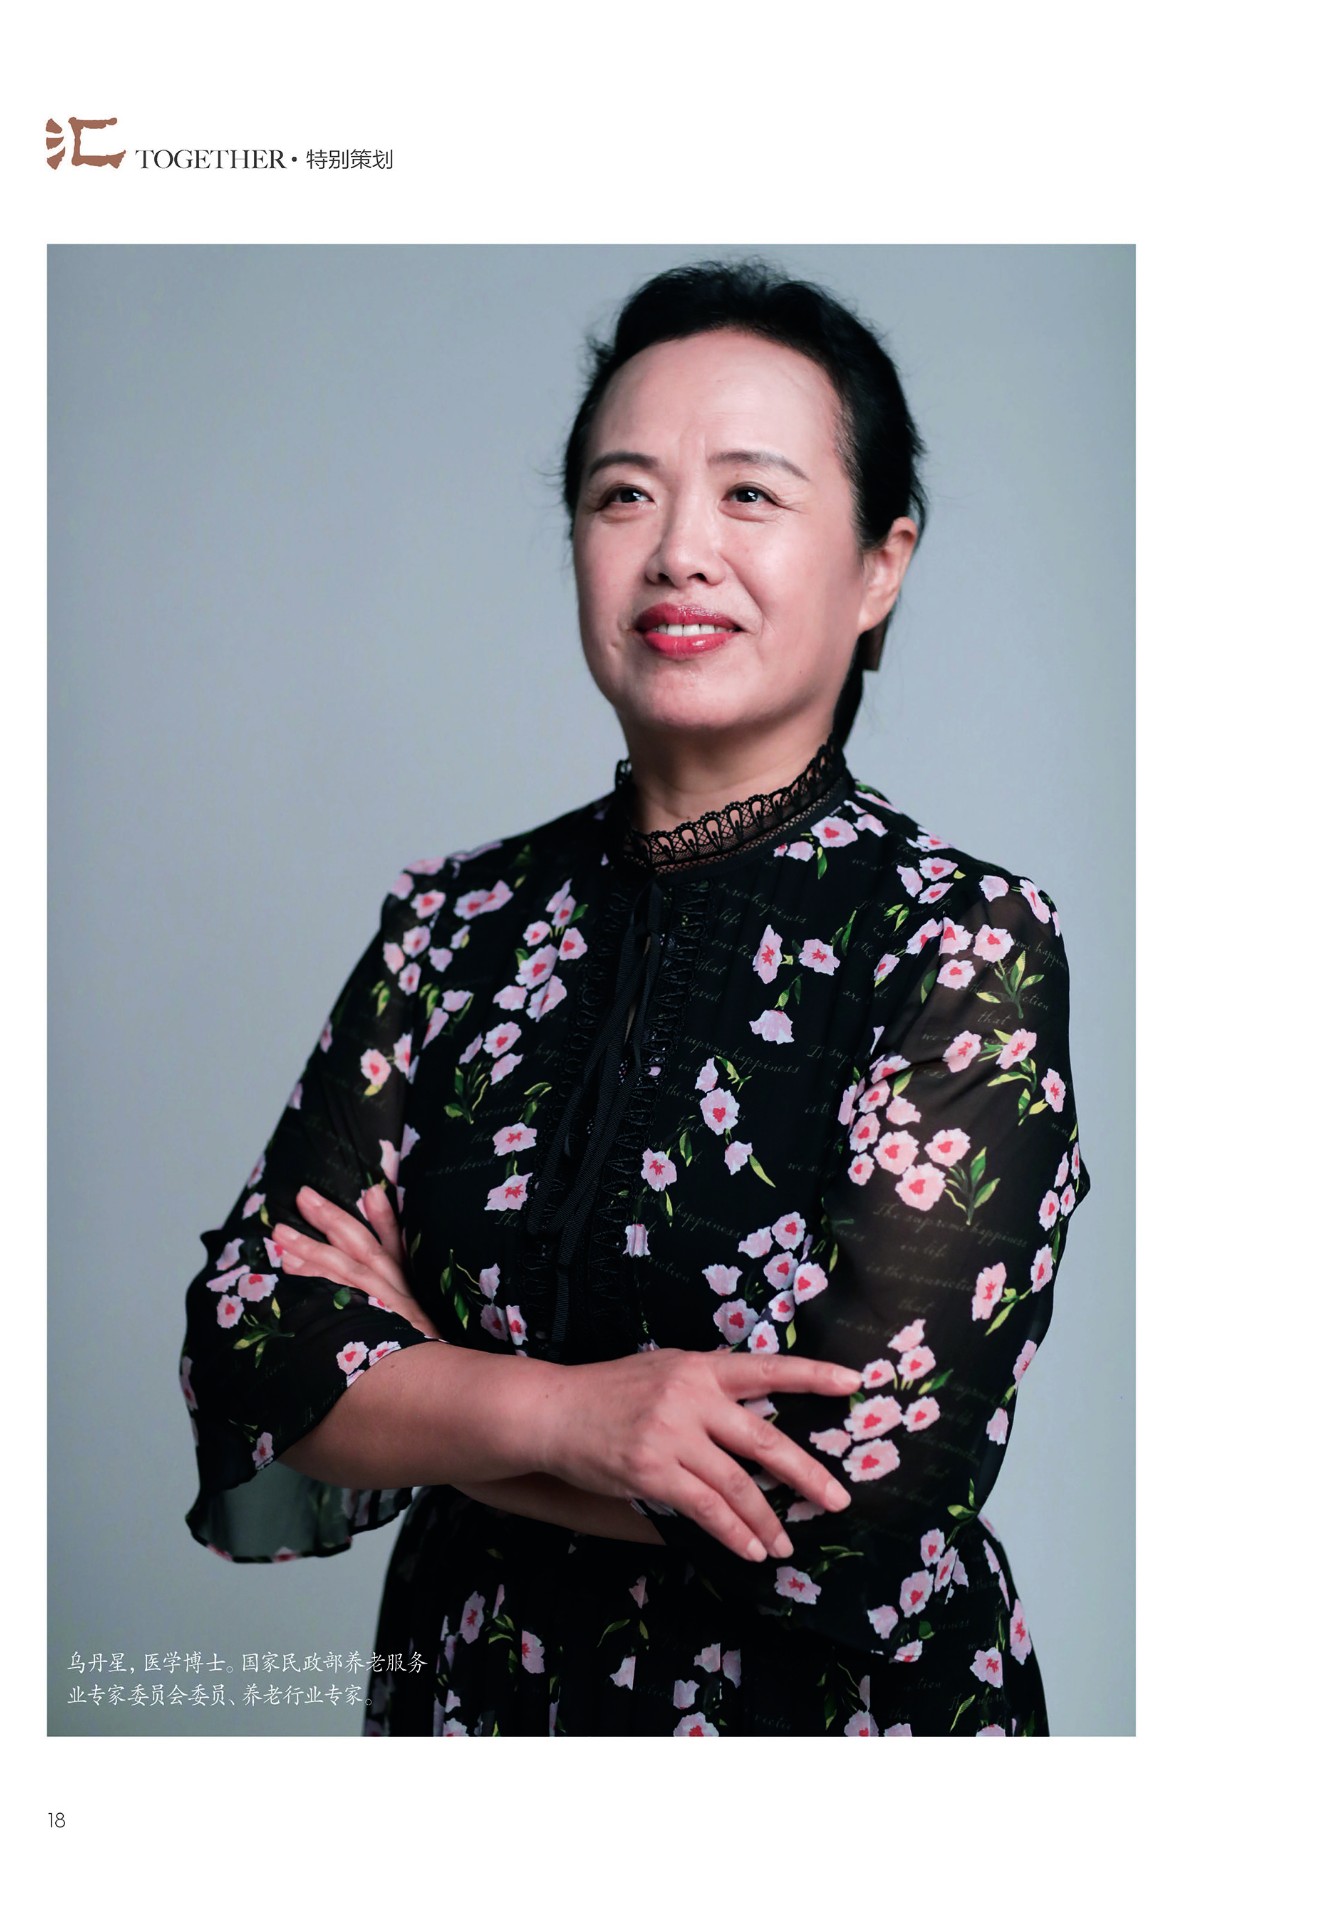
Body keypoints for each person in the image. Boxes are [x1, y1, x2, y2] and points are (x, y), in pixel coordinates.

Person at [178, 259, 1090, 1737]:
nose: (678, 551)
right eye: (623, 496)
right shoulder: (454, 924)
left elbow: (860, 1494)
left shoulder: (958, 944)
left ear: (880, 566)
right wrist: (571, 1418)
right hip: (473, 1711)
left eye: (751, 494)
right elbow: (247, 1340)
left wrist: (430, 1391)